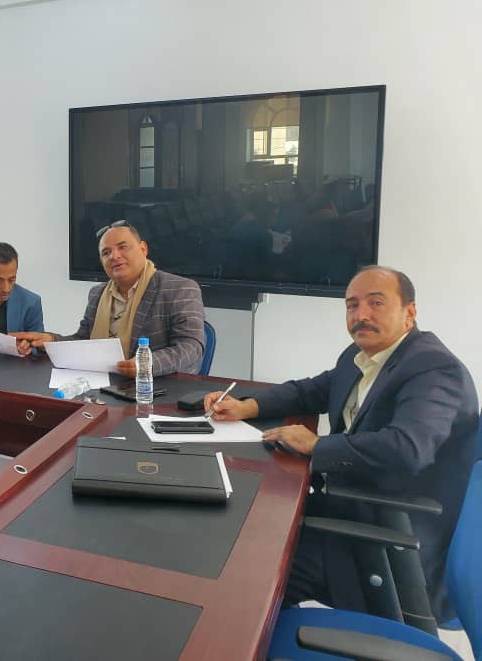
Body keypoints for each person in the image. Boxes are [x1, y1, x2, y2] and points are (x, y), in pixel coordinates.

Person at [205, 266, 478, 622]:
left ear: (409, 312)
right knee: (244, 521)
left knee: (247, 573)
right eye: (352, 305)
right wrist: (248, 406)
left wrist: (318, 446)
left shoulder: (434, 369)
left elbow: (408, 449)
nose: (361, 315)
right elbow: (311, 390)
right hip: (354, 506)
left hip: (393, 544)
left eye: (376, 303)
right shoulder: (362, 356)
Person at [13, 220, 205, 376]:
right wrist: (50, 341)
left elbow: (191, 347)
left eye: (123, 247)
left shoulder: (180, 289)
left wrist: (146, 364)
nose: (114, 256)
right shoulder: (97, 294)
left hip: (155, 390)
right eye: (106, 253)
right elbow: (84, 341)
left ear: (143, 249)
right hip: (104, 385)